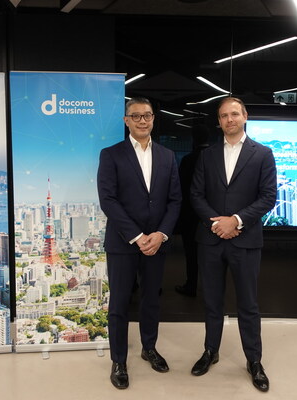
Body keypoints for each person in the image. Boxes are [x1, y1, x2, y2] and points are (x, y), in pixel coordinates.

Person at [189, 97, 277, 392]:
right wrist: (218, 224)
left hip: (246, 240)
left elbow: (268, 197)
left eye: (235, 114)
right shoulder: (207, 155)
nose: (230, 119)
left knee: (248, 304)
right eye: (224, 115)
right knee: (211, 301)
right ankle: (210, 351)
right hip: (211, 240)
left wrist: (236, 221)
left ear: (245, 116)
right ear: (219, 121)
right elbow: (196, 195)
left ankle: (254, 360)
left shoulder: (263, 154)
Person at [97, 97, 181, 390]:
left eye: (147, 115)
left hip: (157, 242)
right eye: (136, 116)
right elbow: (108, 199)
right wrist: (137, 235)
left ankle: (149, 348)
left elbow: (175, 200)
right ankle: (119, 360)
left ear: (154, 119)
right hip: (123, 242)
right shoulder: (111, 155)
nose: (142, 120)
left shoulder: (167, 156)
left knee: (151, 299)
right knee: (119, 303)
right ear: (126, 121)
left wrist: (161, 234)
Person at [175, 124, 209, 297]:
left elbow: (179, 188)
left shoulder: (188, 159)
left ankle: (191, 285)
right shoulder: (215, 158)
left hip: (189, 214)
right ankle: (210, 288)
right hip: (211, 215)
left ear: (193, 139)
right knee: (210, 253)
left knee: (191, 252)